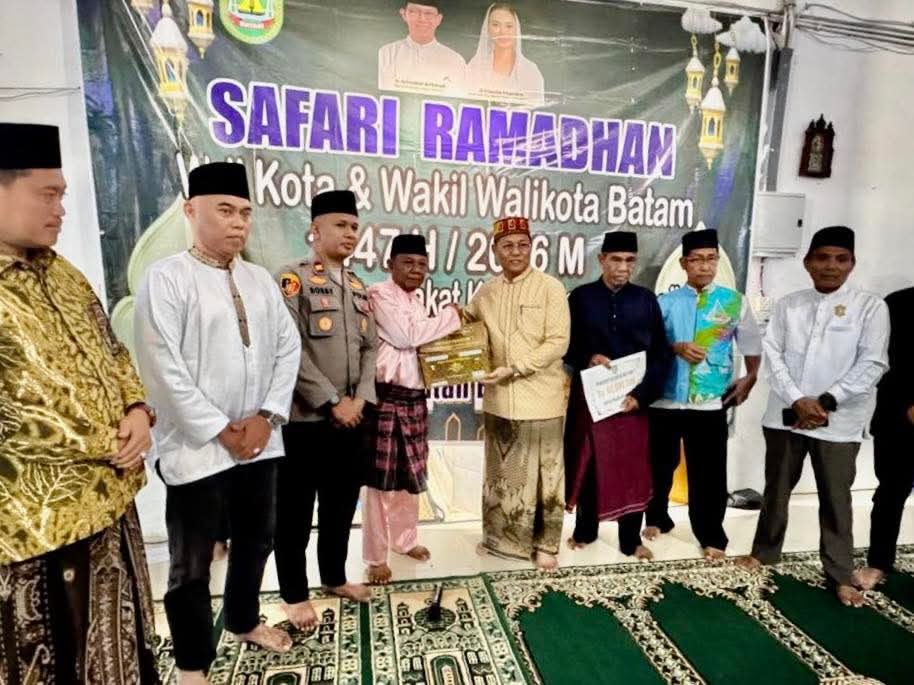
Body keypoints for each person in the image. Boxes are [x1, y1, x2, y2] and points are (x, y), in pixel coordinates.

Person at [0, 122, 159, 684]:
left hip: (110, 507)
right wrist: (109, 440)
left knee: (120, 653)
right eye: (48, 194)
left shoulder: (64, 274)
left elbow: (114, 354)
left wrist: (138, 411)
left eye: (62, 194)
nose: (60, 208)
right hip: (32, 531)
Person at [135, 162, 301, 684]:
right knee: (191, 563)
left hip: (260, 440)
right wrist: (222, 429)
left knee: (257, 539)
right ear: (191, 210)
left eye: (245, 213)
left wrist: (266, 417)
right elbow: (162, 367)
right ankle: (192, 664)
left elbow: (288, 348)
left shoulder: (259, 279)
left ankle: (243, 620)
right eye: (225, 210)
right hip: (196, 447)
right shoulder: (167, 278)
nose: (238, 223)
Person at [738, 226, 889, 608]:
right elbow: (773, 354)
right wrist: (798, 400)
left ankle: (840, 574)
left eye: (840, 259)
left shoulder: (870, 307)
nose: (830, 266)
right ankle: (764, 552)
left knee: (836, 498)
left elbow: (873, 363)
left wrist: (826, 402)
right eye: (822, 258)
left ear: (852, 264)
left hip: (838, 421)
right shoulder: (790, 305)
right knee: (776, 489)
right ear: (807, 263)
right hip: (786, 416)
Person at [274, 189, 378, 629]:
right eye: (341, 225)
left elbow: (372, 348)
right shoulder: (291, 279)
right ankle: (294, 595)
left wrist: (360, 400)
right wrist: (333, 401)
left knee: (340, 505)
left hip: (353, 418)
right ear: (315, 230)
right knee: (295, 512)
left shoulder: (358, 286)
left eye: (354, 226)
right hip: (307, 419)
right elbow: (290, 348)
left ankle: (334, 577)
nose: (350, 233)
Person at [644, 228, 762, 560]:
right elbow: (647, 346)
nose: (705, 266)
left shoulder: (734, 302)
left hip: (709, 402)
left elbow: (752, 345)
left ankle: (711, 534)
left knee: (708, 472)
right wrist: (675, 347)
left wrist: (751, 377)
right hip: (665, 399)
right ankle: (657, 517)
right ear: (684, 263)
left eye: (711, 259)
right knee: (659, 465)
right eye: (697, 259)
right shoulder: (664, 303)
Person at [463, 216, 570, 571]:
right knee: (502, 474)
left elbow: (558, 342)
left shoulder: (550, 288)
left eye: (523, 245)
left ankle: (545, 544)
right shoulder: (487, 292)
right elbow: (467, 326)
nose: (516, 252)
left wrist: (516, 367)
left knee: (546, 476)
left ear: (532, 247)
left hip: (541, 399)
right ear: (494, 250)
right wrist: (453, 319)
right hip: (499, 400)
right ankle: (499, 540)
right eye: (507, 246)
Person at [564, 232, 670, 559]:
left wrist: (642, 396)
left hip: (632, 402)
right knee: (589, 462)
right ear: (602, 260)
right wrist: (587, 358)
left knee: (631, 467)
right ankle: (585, 530)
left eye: (629, 260)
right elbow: (566, 344)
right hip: (591, 397)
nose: (623, 267)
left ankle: (630, 540)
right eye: (616, 259)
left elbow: (660, 354)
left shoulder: (645, 300)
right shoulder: (581, 298)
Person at [362, 234, 461, 584]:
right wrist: (451, 315)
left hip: (415, 399)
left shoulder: (417, 302)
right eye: (408, 263)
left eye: (422, 264)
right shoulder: (378, 294)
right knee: (379, 485)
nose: (416, 270)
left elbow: (421, 340)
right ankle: (376, 557)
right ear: (390, 264)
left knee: (410, 480)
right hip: (385, 398)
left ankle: (405, 541)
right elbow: (406, 336)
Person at [856, 286, 914, 590]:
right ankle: (878, 562)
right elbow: (883, 359)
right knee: (891, 491)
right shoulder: (898, 303)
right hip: (898, 415)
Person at [378, 1, 466, 97]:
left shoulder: (455, 60)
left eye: (428, 13)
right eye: (414, 12)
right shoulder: (386, 53)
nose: (422, 19)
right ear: (404, 14)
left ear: (438, 19)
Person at [466, 3, 545, 108]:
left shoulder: (530, 71)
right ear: (487, 28)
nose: (503, 32)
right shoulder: (475, 66)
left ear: (516, 29)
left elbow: (537, 109)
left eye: (509, 26)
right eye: (495, 25)